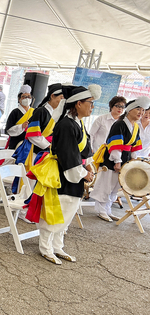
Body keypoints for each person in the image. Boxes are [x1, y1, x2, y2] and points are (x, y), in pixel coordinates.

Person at [26, 85, 99, 265]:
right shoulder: (67, 125)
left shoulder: (78, 123)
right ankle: (45, 247)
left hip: (73, 173)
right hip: (60, 174)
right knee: (55, 211)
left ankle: (58, 246)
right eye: (90, 103)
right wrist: (83, 174)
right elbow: (69, 155)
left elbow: (85, 149)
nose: (92, 107)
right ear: (79, 103)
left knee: (67, 211)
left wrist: (89, 166)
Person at [91, 96, 150, 222]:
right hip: (113, 159)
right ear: (130, 110)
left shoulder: (135, 127)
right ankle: (100, 209)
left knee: (116, 187)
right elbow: (115, 144)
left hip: (125, 159)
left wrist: (133, 161)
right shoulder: (120, 124)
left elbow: (135, 146)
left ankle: (107, 209)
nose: (141, 112)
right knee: (107, 184)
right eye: (138, 109)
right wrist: (117, 160)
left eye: (143, 110)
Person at [4, 84, 34, 150]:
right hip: (15, 142)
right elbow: (8, 130)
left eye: (29, 97)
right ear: (19, 99)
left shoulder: (34, 112)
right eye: (24, 97)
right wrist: (21, 126)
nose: (27, 99)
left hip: (30, 143)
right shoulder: (15, 112)